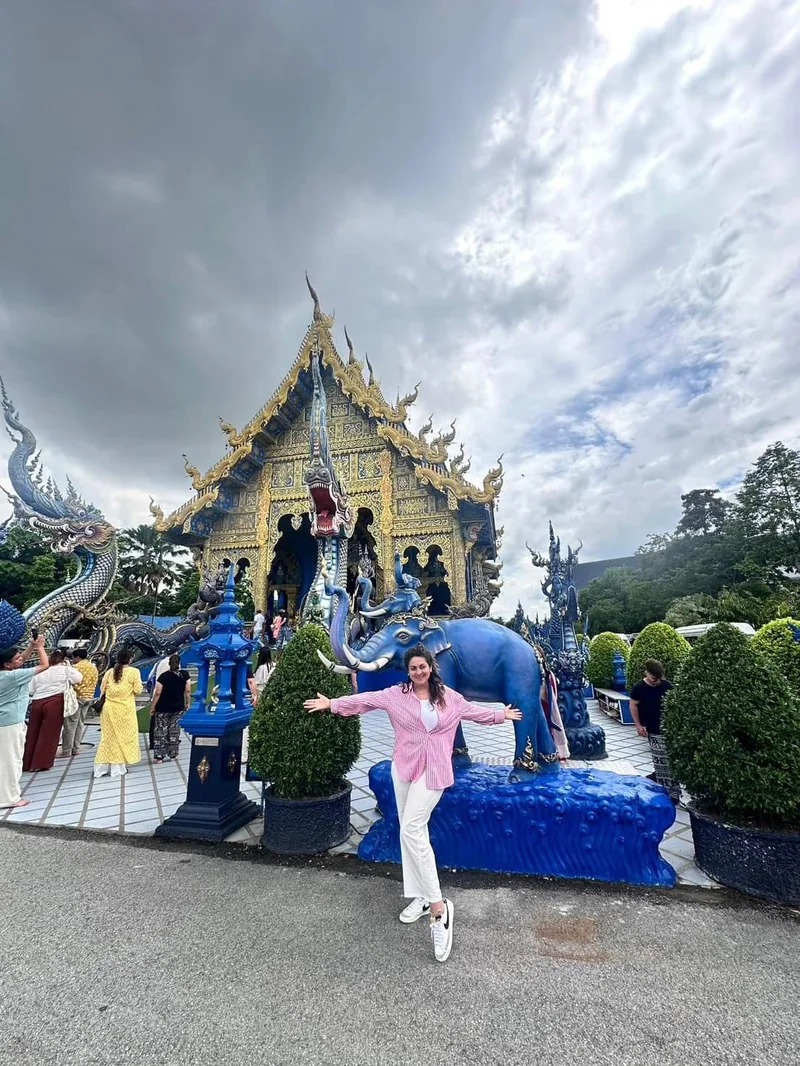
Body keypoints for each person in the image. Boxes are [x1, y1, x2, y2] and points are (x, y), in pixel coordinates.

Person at [304, 643, 521, 963]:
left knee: (412, 829)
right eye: (413, 668)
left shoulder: (449, 697)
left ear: (431, 667)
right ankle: (419, 896)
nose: (418, 672)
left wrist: (501, 715)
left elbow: (475, 712)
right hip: (404, 769)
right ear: (408, 671)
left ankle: (438, 907)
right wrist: (333, 703)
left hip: (433, 772)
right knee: (408, 830)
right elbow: (365, 701)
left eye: (423, 666)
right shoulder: (396, 694)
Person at [0, 636, 50, 808]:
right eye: (17, 658)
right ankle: (9, 798)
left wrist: (32, 646)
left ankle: (7, 795)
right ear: (7, 664)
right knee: (11, 761)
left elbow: (22, 661)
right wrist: (41, 647)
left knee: (5, 760)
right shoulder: (13, 677)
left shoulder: (7, 674)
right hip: (10, 723)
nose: (21, 658)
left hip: (5, 722)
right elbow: (44, 665)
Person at [629, 658, 681, 804]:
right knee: (660, 760)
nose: (656, 681)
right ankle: (665, 789)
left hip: (669, 728)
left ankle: (673, 791)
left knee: (671, 760)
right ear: (646, 672)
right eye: (653, 678)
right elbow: (633, 705)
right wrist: (638, 725)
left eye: (658, 679)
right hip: (653, 728)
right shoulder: (639, 688)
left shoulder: (667, 686)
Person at [24, 650, 82, 772]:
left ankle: (27, 762)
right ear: (63, 659)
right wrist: (68, 666)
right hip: (55, 701)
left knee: (32, 732)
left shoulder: (40, 670)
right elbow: (78, 678)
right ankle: (41, 762)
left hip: (37, 701)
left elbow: (30, 689)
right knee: (49, 734)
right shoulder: (65, 670)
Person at [94, 649, 143, 778]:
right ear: (130, 660)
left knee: (107, 738)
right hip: (125, 711)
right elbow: (138, 690)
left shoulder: (110, 672)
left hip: (109, 710)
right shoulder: (134, 672)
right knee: (124, 738)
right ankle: (117, 768)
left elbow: (102, 689)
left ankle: (100, 768)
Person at [150, 654, 190, 763]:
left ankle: (159, 756)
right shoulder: (184, 675)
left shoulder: (163, 676)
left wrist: (152, 707)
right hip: (178, 706)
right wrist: (187, 703)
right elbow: (188, 691)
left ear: (169, 664)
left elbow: (158, 693)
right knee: (174, 731)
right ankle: (173, 755)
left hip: (162, 707)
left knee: (160, 731)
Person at [59, 647, 98, 758]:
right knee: (80, 724)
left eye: (73, 658)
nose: (72, 660)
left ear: (77, 657)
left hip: (76, 698)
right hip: (89, 697)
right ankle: (76, 748)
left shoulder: (75, 668)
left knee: (70, 725)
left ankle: (66, 750)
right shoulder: (93, 667)